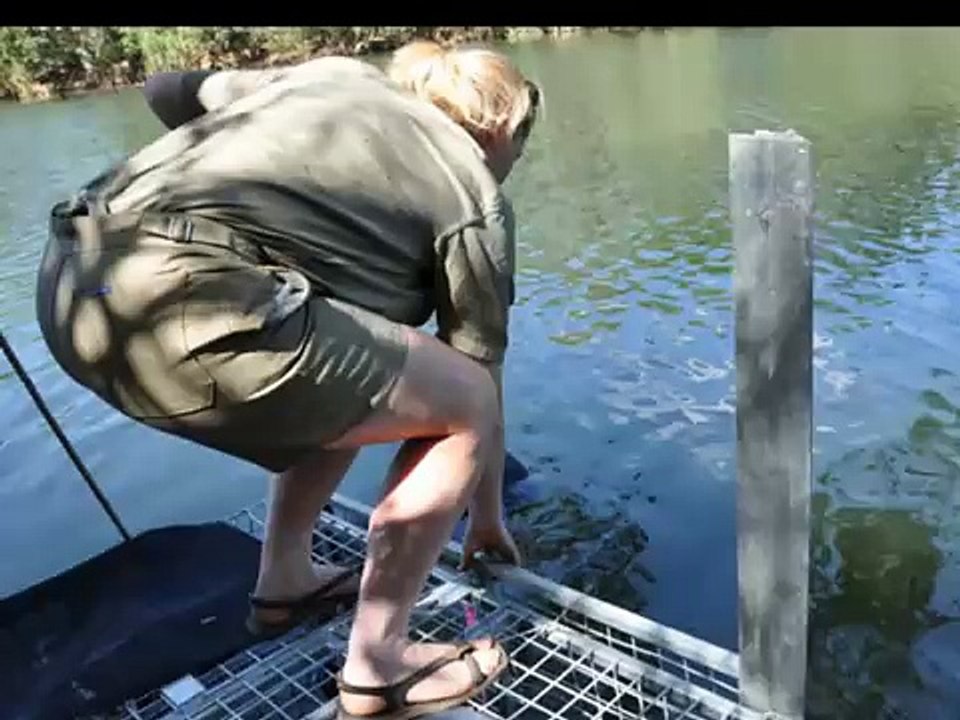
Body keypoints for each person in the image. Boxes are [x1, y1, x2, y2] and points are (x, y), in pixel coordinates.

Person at [34, 38, 539, 719]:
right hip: (185, 303)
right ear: (499, 129)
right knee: (462, 397)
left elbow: (164, 90)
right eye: (521, 144)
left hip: (68, 282)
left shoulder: (332, 80)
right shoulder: (471, 190)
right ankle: (378, 667)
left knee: (370, 363)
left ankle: (285, 582)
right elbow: (480, 375)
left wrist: (248, 167)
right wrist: (486, 519)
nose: (515, 163)